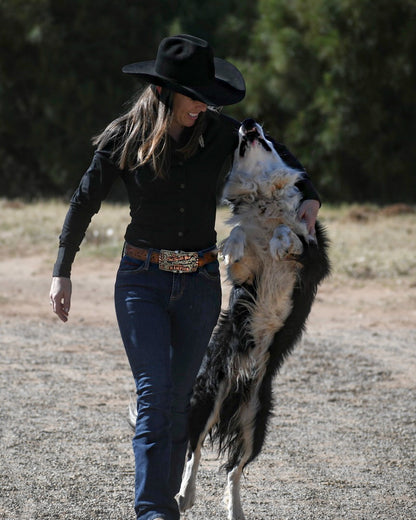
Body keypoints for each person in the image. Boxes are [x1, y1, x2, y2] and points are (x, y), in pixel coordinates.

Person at [49, 34, 320, 520]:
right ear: (164, 91)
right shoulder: (124, 137)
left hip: (197, 285)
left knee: (178, 405)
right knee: (155, 395)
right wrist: (62, 271)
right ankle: (155, 512)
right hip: (141, 282)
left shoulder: (219, 133)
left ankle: (162, 504)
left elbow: (273, 154)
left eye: (207, 97)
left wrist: (311, 194)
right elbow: (83, 200)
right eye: (195, 96)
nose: (203, 106)